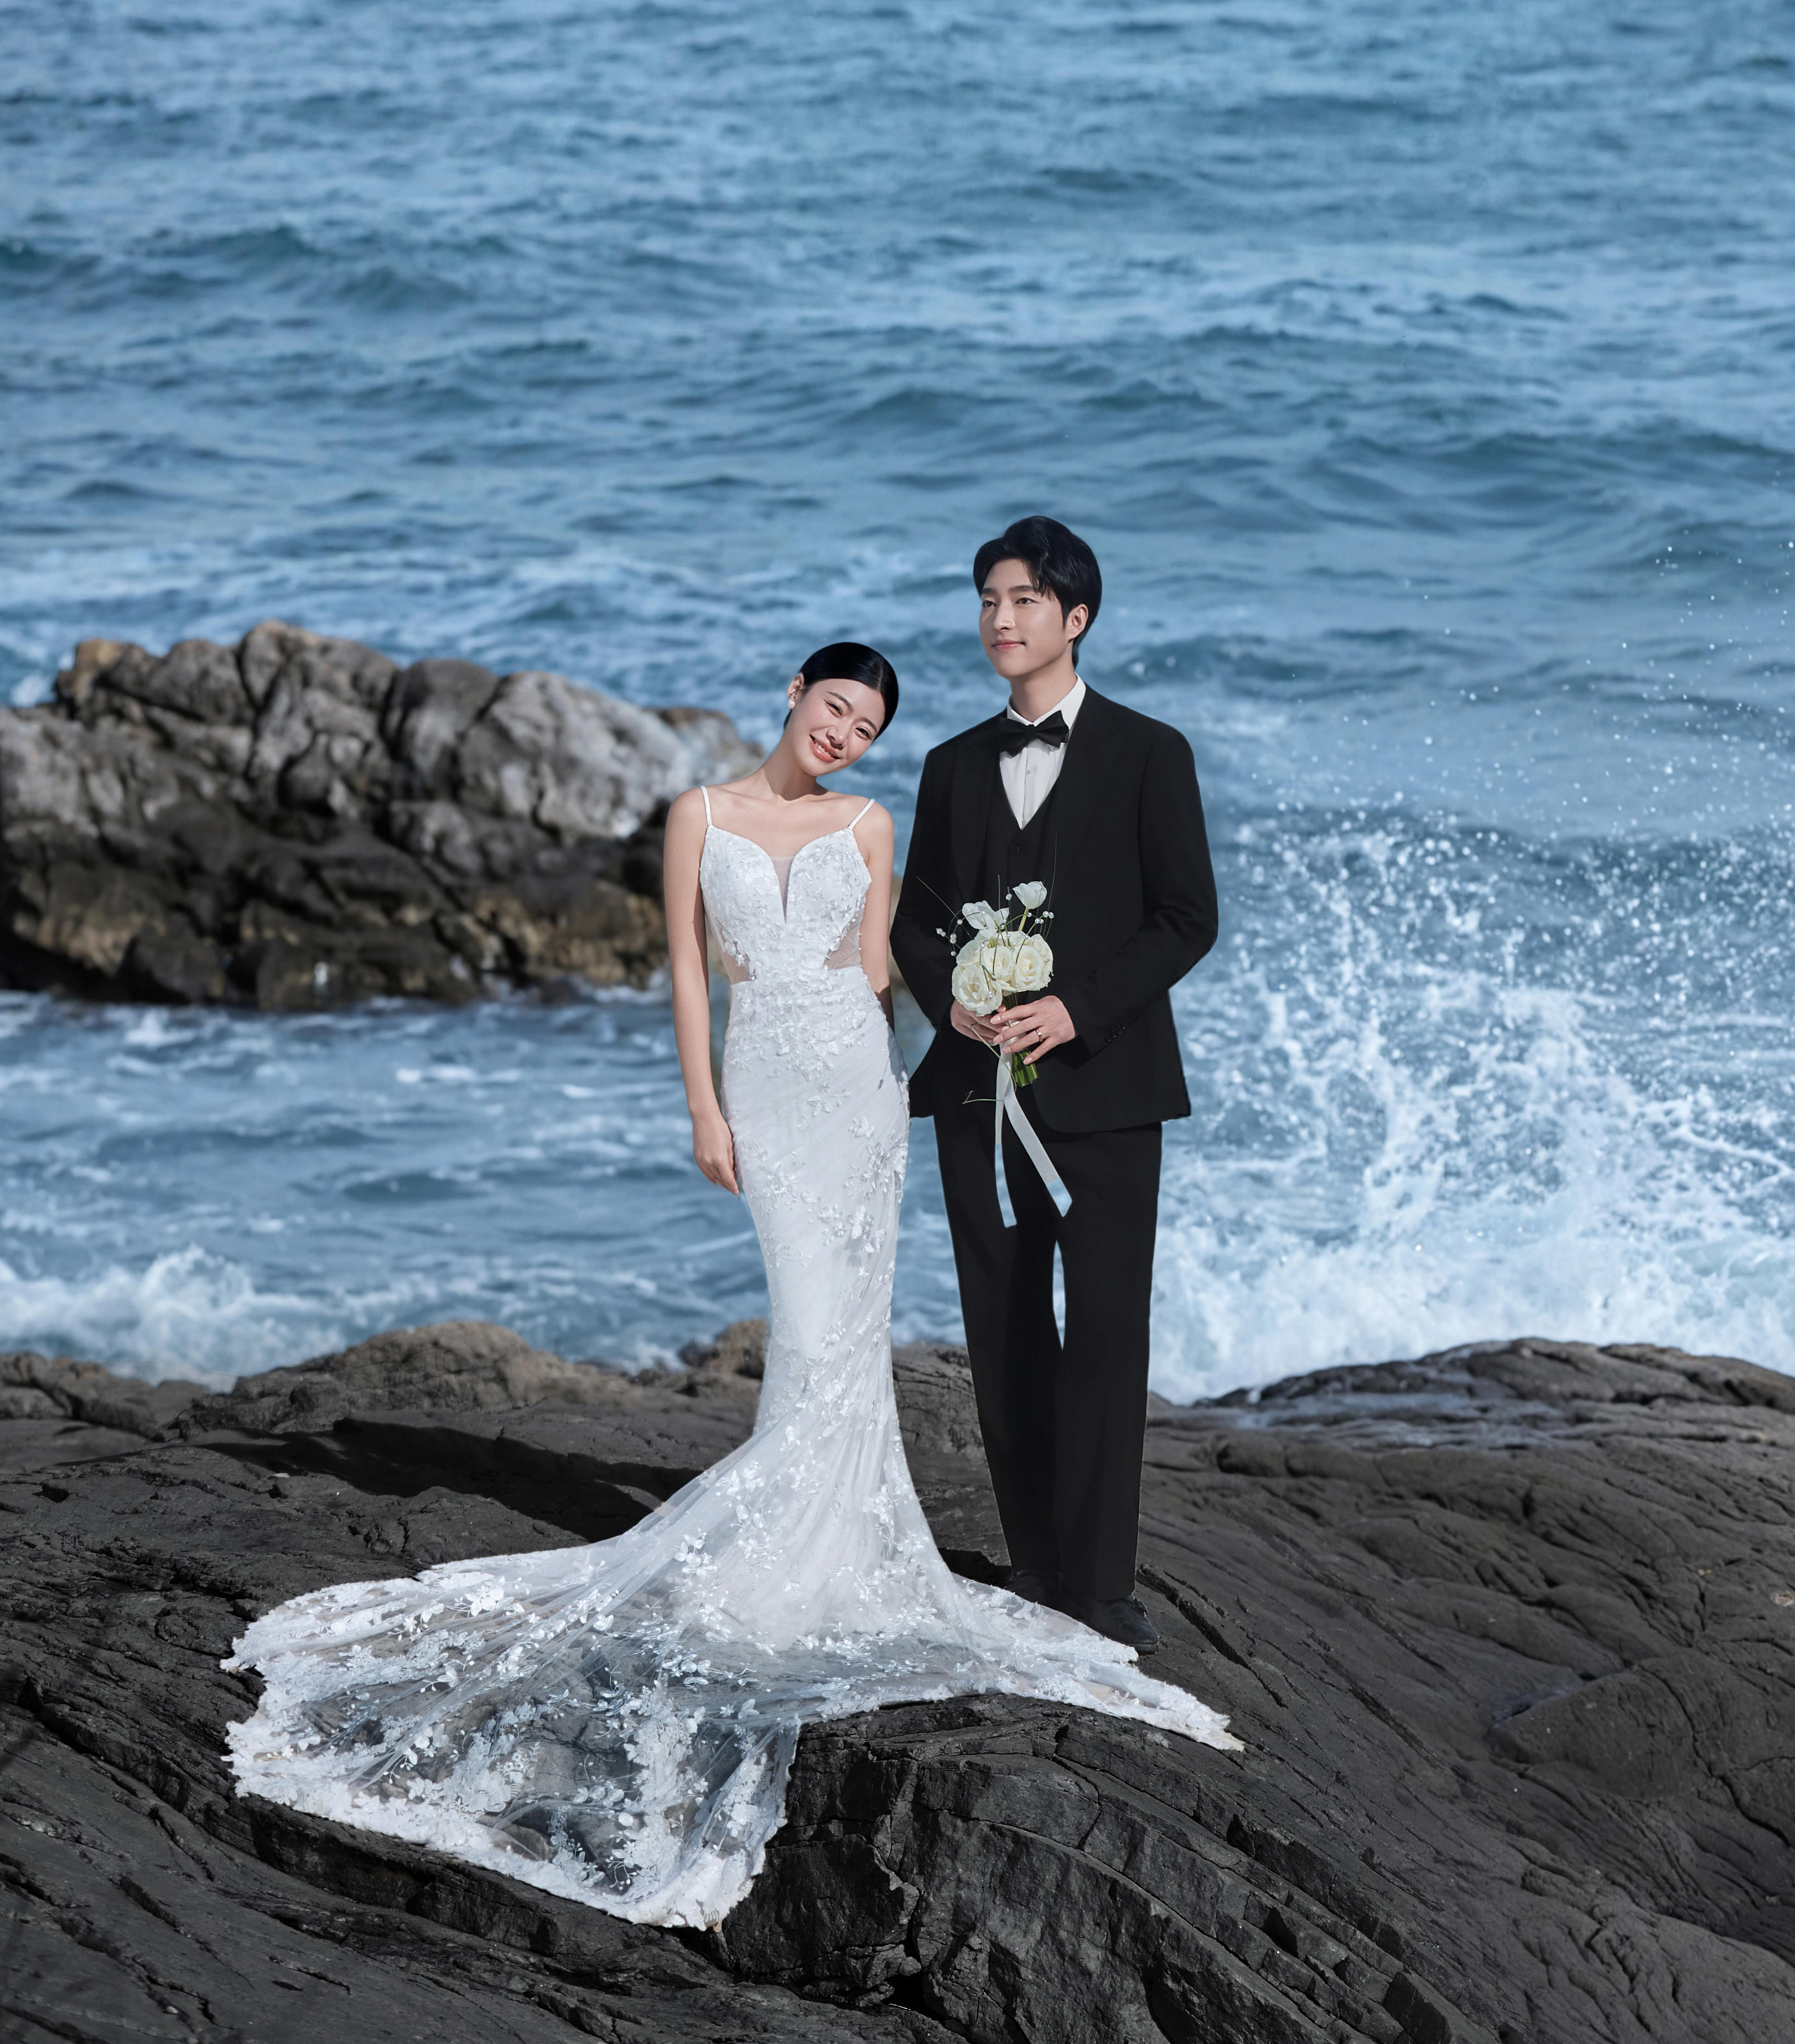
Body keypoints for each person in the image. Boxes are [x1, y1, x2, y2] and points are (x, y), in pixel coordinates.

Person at [219, 642, 1234, 1933]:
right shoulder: (698, 815)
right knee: (810, 1317)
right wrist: (703, 1105)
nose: (846, 735)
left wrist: (987, 988)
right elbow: (691, 970)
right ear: (796, 700)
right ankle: (787, 1551)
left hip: (861, 1092)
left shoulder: (872, 821)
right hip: (761, 1081)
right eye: (835, 709)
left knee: (846, 1336)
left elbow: (886, 970)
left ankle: (844, 1546)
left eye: (866, 724)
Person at [890, 518, 1216, 1650]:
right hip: (976, 1094)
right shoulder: (949, 766)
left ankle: (1103, 1579)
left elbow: (1188, 919)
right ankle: (1032, 1565)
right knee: (1005, 1322)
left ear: (1075, 618)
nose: (1000, 619)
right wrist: (956, 1004)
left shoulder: (1150, 754)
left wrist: (1077, 1006)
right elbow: (916, 923)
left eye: (1023, 599)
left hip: (1112, 1085)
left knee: (1110, 1327)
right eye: (986, 599)